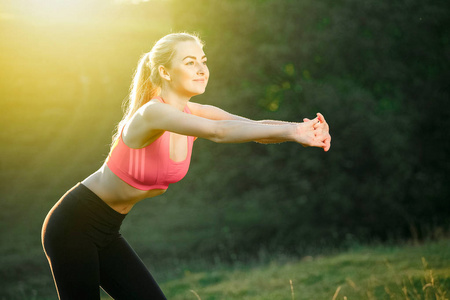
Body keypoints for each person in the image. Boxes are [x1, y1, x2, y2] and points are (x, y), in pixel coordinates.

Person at [41, 32, 331, 299]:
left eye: (203, 61)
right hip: (73, 225)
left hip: (107, 229)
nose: (202, 69)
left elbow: (252, 127)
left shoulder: (194, 112)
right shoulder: (153, 113)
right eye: (190, 62)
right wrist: (293, 133)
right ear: (165, 71)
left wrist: (303, 130)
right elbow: (220, 133)